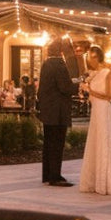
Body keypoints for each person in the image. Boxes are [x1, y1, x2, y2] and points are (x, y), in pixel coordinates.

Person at [37, 40, 83, 187]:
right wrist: (79, 85)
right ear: (61, 51)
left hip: (48, 111)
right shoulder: (59, 64)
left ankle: (47, 175)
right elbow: (65, 87)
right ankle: (55, 176)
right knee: (57, 144)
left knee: (48, 144)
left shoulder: (46, 64)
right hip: (58, 112)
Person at [78, 46, 111, 196]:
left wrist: (90, 90)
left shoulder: (107, 73)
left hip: (103, 109)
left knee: (104, 141)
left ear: (97, 57)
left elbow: (110, 96)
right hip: (96, 111)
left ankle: (106, 181)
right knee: (95, 141)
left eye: (91, 57)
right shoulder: (95, 74)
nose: (89, 61)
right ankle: (94, 180)